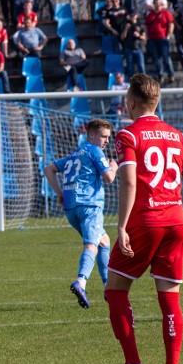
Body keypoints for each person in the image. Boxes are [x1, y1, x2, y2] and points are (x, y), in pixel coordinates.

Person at [105, 74, 183, 364]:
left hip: (145, 221)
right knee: (170, 297)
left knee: (115, 290)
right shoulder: (178, 136)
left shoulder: (128, 135)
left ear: (131, 102)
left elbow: (129, 181)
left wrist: (121, 226)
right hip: (175, 220)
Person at [44, 119, 118, 309]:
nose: (106, 141)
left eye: (108, 137)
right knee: (91, 245)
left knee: (104, 241)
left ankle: (108, 287)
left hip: (71, 209)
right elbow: (109, 178)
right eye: (103, 136)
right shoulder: (94, 151)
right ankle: (81, 282)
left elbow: (49, 169)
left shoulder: (74, 153)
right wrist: (114, 166)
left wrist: (59, 193)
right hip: (89, 206)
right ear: (91, 135)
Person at [145, 0, 175, 84]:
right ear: (153, 4)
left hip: (163, 39)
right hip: (153, 39)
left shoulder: (166, 13)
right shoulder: (150, 15)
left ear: (161, 4)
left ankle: (171, 74)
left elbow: (171, 24)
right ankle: (160, 75)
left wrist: (169, 35)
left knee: (166, 57)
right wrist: (147, 37)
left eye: (159, 4)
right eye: (156, 4)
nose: (157, 5)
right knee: (156, 59)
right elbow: (146, 26)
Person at [120, 12, 146, 77]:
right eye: (131, 16)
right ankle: (131, 83)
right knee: (130, 68)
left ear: (136, 16)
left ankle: (144, 82)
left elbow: (144, 37)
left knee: (141, 67)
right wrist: (126, 29)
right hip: (129, 49)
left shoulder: (139, 25)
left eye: (133, 16)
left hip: (138, 49)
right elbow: (122, 37)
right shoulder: (125, 24)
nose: (132, 17)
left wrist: (139, 36)